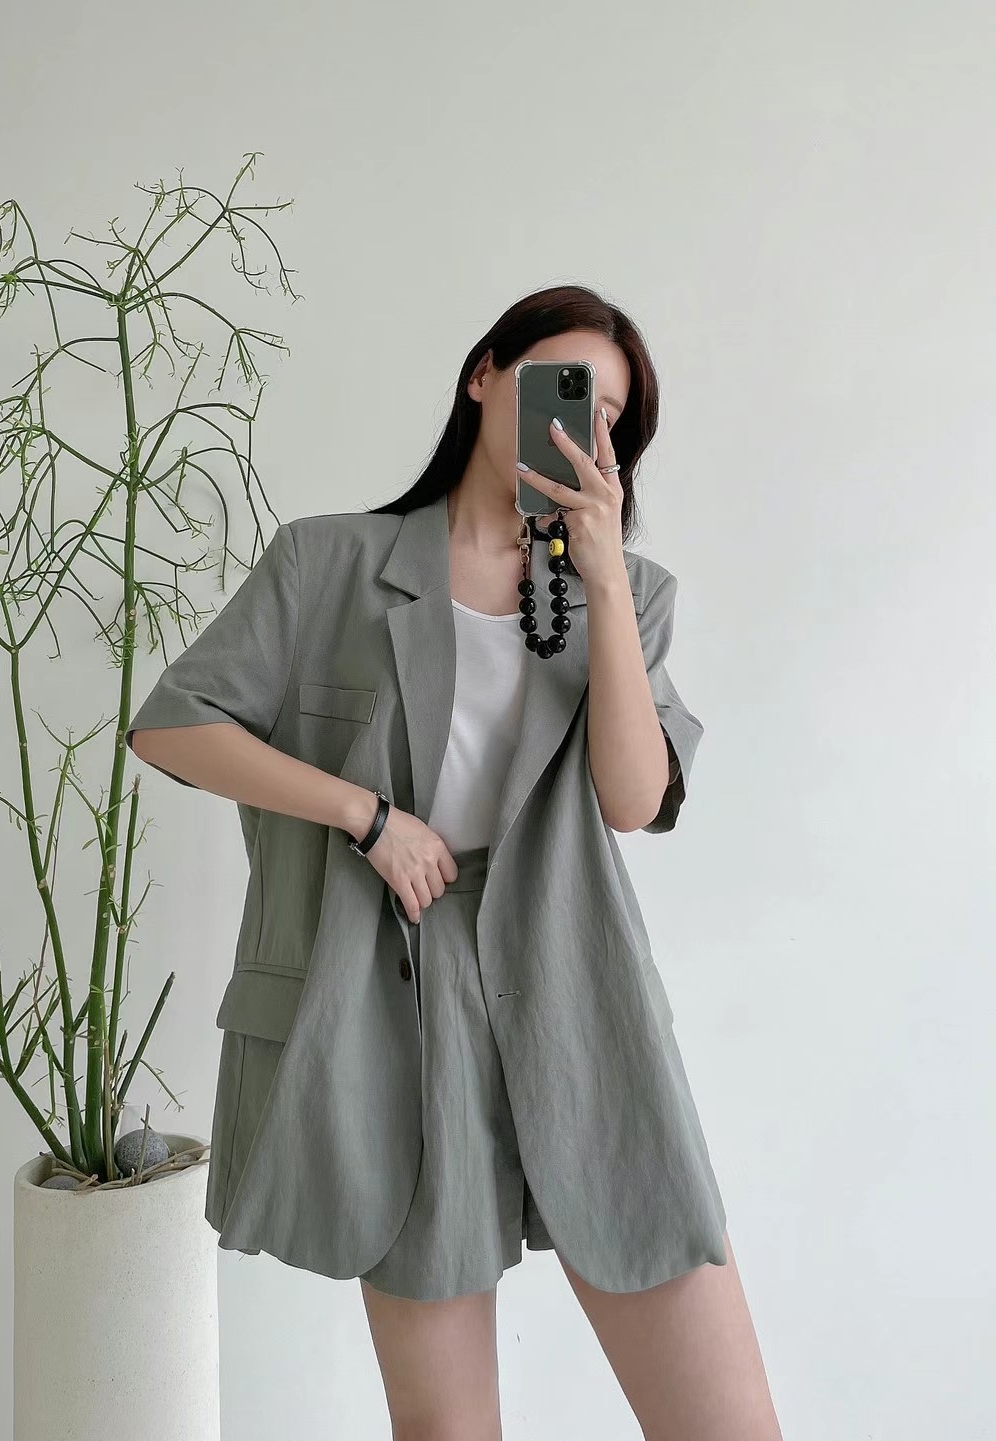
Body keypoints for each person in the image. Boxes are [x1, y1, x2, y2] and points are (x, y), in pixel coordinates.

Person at [126, 283, 784, 1440]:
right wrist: (366, 815)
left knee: (727, 1425)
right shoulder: (329, 562)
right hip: (392, 1005)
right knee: (446, 1430)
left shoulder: (628, 599)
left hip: (577, 997)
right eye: (561, 389)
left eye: (608, 416)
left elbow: (633, 800)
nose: (582, 427)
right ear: (484, 376)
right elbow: (173, 727)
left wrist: (604, 577)